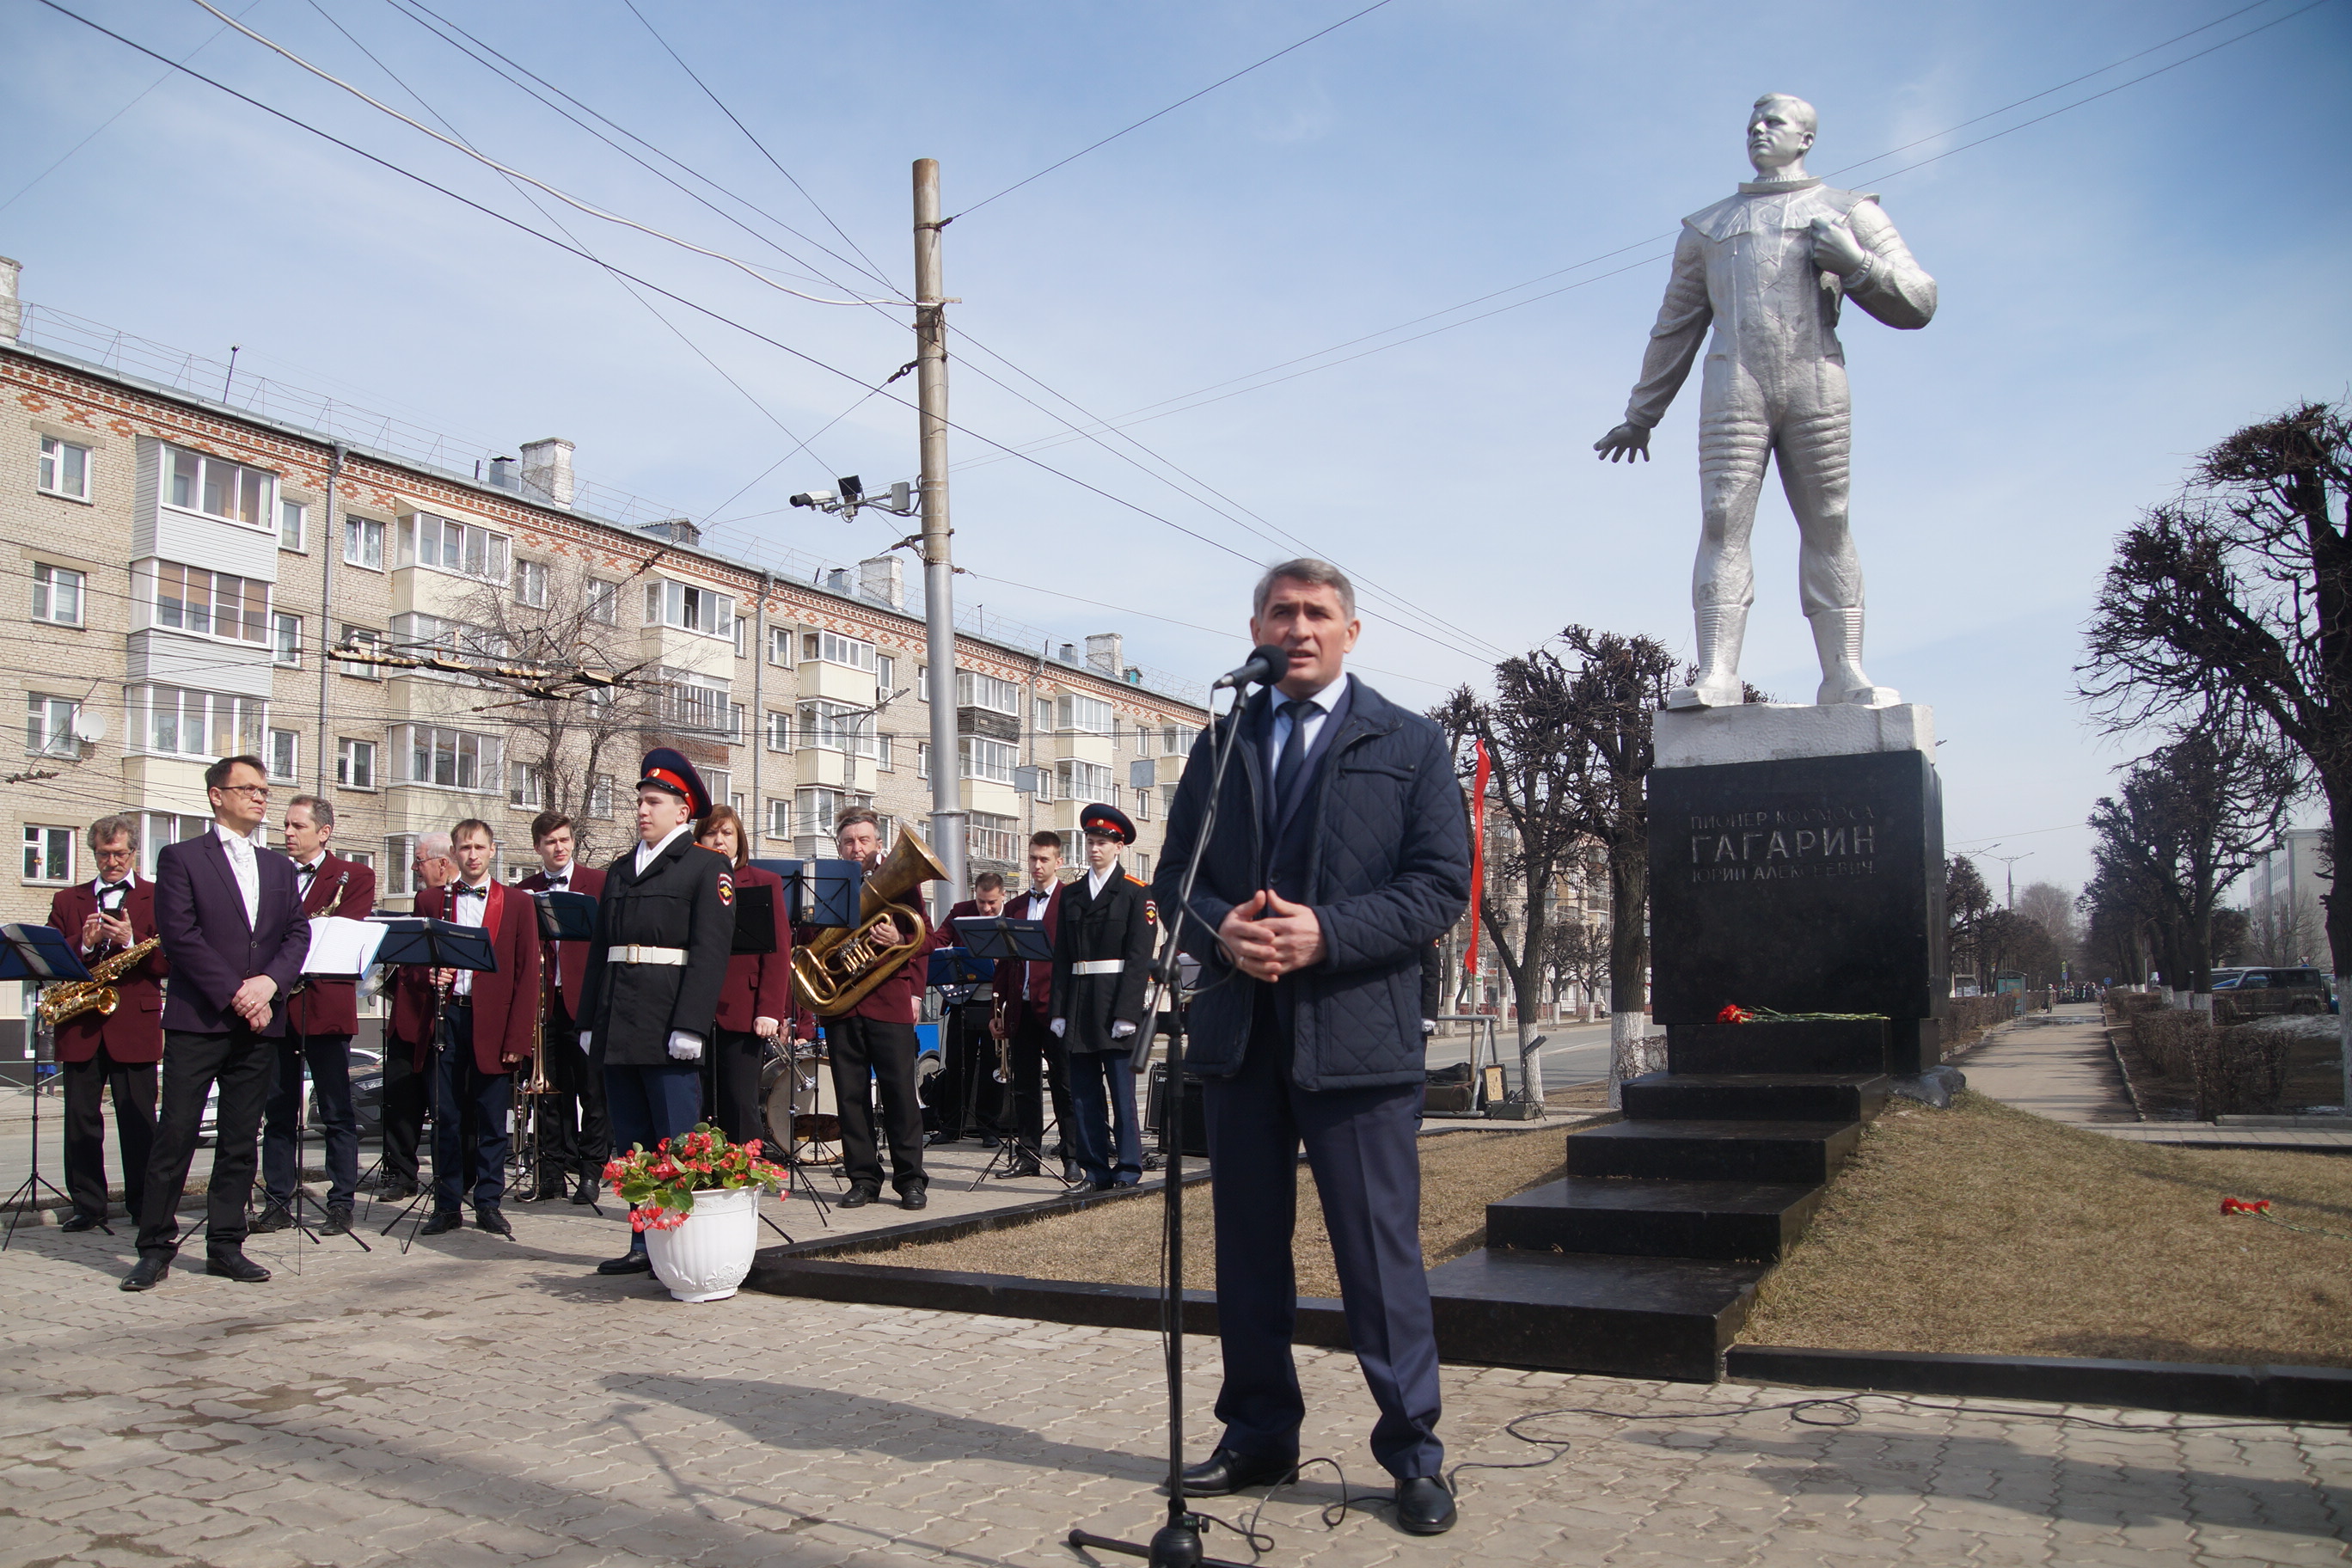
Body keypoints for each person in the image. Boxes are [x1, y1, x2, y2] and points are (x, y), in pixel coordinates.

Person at [1152, 560, 1470, 1534]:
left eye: (1317, 614)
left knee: (1378, 1256)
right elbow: (1178, 881)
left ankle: (1413, 1452)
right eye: (1281, 612)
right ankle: (1258, 1435)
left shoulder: (1408, 743)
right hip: (1241, 1040)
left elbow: (1439, 885)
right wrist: (1222, 935)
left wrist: (1326, 932)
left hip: (1358, 1043)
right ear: (1254, 625)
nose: (1299, 628)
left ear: (1352, 631)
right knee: (1248, 1253)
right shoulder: (1222, 740)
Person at [1595, 93, 1935, 709]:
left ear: (1806, 139)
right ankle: (1717, 672)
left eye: (1774, 121)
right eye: (1752, 120)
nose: (1757, 129)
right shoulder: (1709, 226)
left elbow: (1918, 300)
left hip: (1816, 375)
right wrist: (1641, 415)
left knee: (1829, 520)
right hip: (1735, 382)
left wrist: (1855, 264)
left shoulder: (1846, 211)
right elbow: (1675, 326)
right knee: (1723, 520)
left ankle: (1845, 671)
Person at [124, 755, 313, 1291]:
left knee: (239, 1139)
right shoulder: (182, 857)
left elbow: (296, 936)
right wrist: (238, 993)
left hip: (258, 1025)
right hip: (199, 1020)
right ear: (216, 795)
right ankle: (154, 1247)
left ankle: (225, 1244)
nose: (260, 797)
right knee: (177, 1133)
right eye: (248, 788)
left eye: (264, 790)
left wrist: (269, 986)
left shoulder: (278, 867)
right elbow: (180, 937)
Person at [576, 749, 734, 1276]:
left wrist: (691, 1024)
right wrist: (588, 1022)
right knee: (632, 1144)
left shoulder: (707, 866)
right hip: (620, 1022)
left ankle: (684, 1243)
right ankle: (644, 1243)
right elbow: (601, 951)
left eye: (654, 802)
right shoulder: (621, 871)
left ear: (682, 811)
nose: (643, 810)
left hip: (670, 1024)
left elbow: (710, 954)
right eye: (640, 801)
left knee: (677, 1139)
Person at [408, 819, 541, 1238]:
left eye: (479, 847)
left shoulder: (518, 902)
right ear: (453, 853)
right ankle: (446, 1205)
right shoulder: (431, 900)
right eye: (464, 848)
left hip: (495, 1026)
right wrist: (429, 977)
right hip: (448, 1019)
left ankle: (488, 1202)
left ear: (492, 851)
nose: (472, 855)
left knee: (490, 1118)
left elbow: (526, 977)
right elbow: (410, 964)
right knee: (446, 1117)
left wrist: (518, 1040)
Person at [252, 796, 377, 1236]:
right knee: (279, 1110)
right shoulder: (269, 873)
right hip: (278, 1006)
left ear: (323, 831)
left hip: (325, 1004)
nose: (287, 832)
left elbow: (342, 931)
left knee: (336, 1110)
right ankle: (277, 1201)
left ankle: (341, 1200)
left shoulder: (355, 875)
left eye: (297, 826)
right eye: (285, 825)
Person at [45, 815, 165, 1234]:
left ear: (134, 852)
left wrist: (131, 941)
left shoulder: (156, 896)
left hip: (135, 1023)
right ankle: (87, 1206)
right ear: (93, 853)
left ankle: (144, 1205)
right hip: (81, 1025)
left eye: (119, 854)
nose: (111, 862)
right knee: (80, 1121)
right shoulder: (67, 901)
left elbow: (172, 962)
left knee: (139, 1120)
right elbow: (49, 959)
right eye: (103, 854)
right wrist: (85, 943)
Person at [818, 805, 930, 1210]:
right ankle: (863, 1178)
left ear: (878, 843)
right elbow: (814, 937)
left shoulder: (902, 881)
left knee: (900, 1093)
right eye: (848, 841)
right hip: (842, 1006)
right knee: (850, 1098)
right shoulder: (827, 883)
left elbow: (927, 937)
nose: (856, 848)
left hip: (888, 1002)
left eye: (864, 840)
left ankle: (911, 1180)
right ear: (839, 845)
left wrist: (897, 934)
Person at [1049, 806, 1155, 1190]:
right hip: (1079, 1005)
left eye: (1103, 843)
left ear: (1119, 846)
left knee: (1122, 1096)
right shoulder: (1073, 894)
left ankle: (1128, 1168)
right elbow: (1062, 956)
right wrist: (1058, 1010)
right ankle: (1094, 1170)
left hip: (1115, 1006)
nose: (1095, 849)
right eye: (1091, 842)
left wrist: (1128, 1011)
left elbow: (1140, 958)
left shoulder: (1136, 893)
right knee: (1083, 1097)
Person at [516, 812, 609, 1204]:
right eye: (551, 841)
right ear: (538, 847)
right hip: (545, 1006)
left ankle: (591, 1173)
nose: (559, 847)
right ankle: (551, 1173)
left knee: (593, 1092)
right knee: (549, 1094)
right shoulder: (525, 890)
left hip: (586, 1003)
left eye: (565, 840)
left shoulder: (599, 883)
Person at [694, 804, 789, 1147]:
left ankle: (746, 1176)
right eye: (711, 832)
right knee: (699, 1102)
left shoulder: (763, 882)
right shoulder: (690, 878)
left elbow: (776, 953)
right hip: (695, 1011)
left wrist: (769, 1010)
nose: (719, 840)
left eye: (727, 833)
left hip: (744, 1013)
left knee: (739, 1101)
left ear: (739, 840)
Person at [376, 830, 454, 1202]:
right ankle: (401, 1172)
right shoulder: (423, 900)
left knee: (447, 1104)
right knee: (401, 1098)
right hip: (409, 1016)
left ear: (442, 863)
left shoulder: (451, 899)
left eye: (419, 860)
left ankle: (450, 1177)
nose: (413, 867)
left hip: (449, 1018)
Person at [1000, 832, 1073, 1180]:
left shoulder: (1070, 901)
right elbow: (1004, 963)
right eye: (1032, 858)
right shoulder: (1014, 906)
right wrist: (998, 1010)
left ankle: (1073, 1155)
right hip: (1022, 1007)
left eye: (1044, 859)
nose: (1037, 865)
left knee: (1065, 1083)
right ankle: (1027, 1156)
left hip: (1057, 1009)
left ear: (1059, 861)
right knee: (1025, 1085)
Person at [930, 870, 1009, 1148]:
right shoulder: (961, 911)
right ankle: (951, 1125)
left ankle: (990, 1127)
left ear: (1003, 896)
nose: (986, 909)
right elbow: (938, 941)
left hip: (997, 1005)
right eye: (981, 902)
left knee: (992, 1066)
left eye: (992, 903)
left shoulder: (1011, 919)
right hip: (963, 1001)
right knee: (955, 1064)